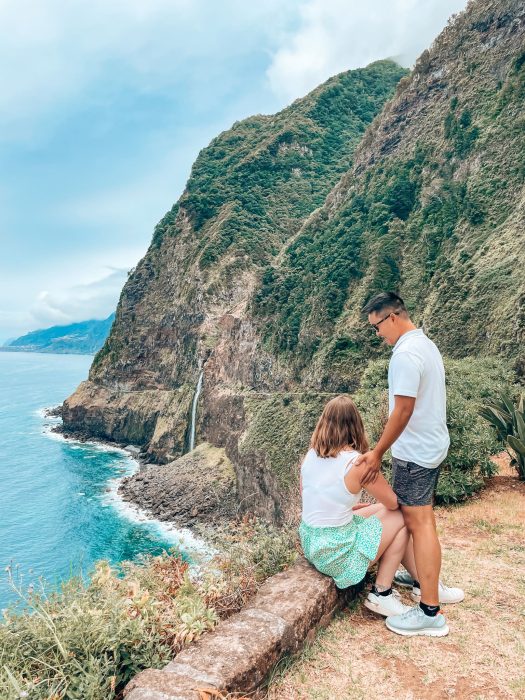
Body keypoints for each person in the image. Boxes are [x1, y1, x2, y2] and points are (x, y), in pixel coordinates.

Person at [356, 291, 463, 638]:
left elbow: (402, 411)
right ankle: (423, 581)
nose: (377, 335)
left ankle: (430, 610)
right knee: (414, 517)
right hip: (430, 447)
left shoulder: (403, 355)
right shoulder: (425, 345)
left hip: (415, 454)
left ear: (392, 317)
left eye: (376, 327)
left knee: (420, 523)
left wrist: (377, 453)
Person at [299, 394, 413, 618]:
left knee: (379, 511)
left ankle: (420, 581)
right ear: (355, 425)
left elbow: (313, 500)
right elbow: (392, 503)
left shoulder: (310, 455)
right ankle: (382, 593)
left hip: (313, 545)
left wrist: (349, 507)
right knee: (402, 515)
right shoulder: (357, 463)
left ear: (323, 422)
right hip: (337, 555)